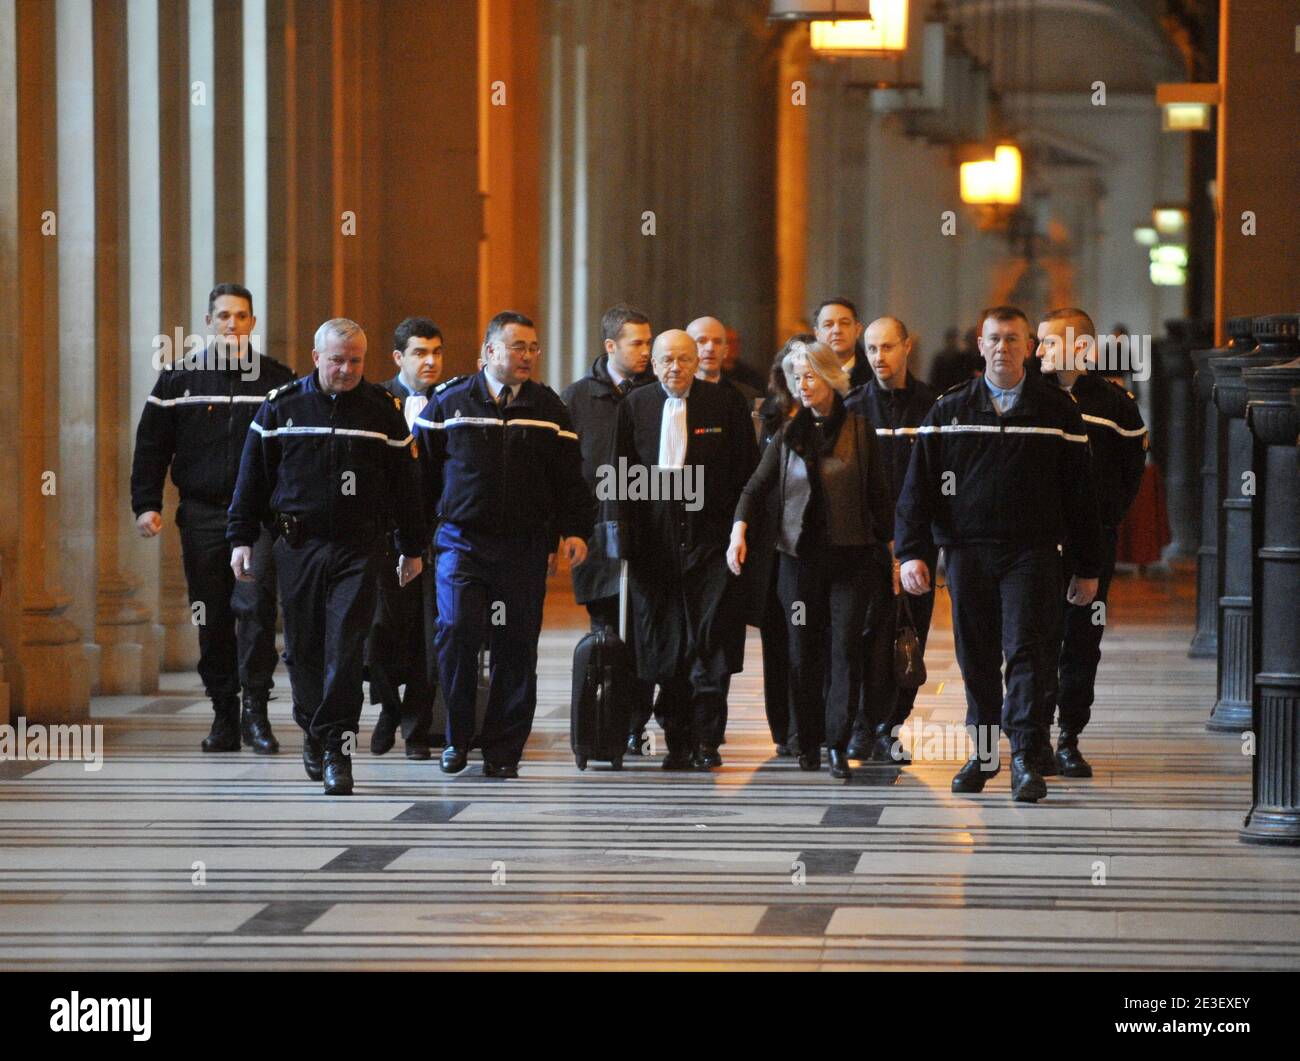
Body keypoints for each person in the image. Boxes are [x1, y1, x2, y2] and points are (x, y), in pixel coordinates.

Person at [896, 305, 1103, 803]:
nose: (1004, 347)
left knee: (1028, 654)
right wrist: (911, 553)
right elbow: (916, 489)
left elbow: (1082, 496)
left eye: (1014, 339)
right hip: (967, 554)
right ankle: (985, 755)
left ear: (1029, 347)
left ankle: (1028, 760)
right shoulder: (951, 409)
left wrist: (1088, 566)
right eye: (995, 338)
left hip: (1032, 554)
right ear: (980, 343)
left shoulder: (1056, 410)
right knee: (978, 658)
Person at [227, 318, 426, 796]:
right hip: (298, 547)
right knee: (303, 649)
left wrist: (411, 546)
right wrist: (240, 537)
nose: (346, 369)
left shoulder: (382, 411)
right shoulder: (282, 408)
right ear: (317, 357)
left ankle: (338, 749)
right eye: (337, 360)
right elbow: (251, 478)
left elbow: (405, 486)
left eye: (356, 360)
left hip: (359, 547)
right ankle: (314, 728)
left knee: (346, 646)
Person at [415, 311, 591, 779]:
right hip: (460, 542)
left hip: (523, 547)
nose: (528, 356)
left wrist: (574, 529)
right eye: (518, 347)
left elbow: (569, 479)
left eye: (533, 348)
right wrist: (413, 541)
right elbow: (422, 476)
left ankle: (503, 750)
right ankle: (455, 738)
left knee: (516, 646)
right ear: (491, 351)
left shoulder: (548, 408)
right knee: (455, 632)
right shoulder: (449, 402)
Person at [131, 283, 294, 754]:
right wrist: (147, 504)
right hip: (202, 514)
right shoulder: (177, 380)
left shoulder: (276, 382)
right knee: (212, 614)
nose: (232, 324)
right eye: (223, 316)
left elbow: (294, 449)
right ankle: (224, 710)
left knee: (257, 611)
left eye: (241, 316)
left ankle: (256, 712)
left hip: (259, 518)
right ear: (208, 322)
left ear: (252, 323)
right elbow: (151, 447)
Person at [728, 340, 892, 780]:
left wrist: (896, 554)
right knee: (802, 653)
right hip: (797, 564)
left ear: (830, 377)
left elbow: (879, 497)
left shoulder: (859, 431)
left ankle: (837, 743)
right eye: (794, 377)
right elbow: (754, 489)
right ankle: (808, 740)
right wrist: (738, 531)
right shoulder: (788, 434)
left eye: (809, 376)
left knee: (844, 650)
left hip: (850, 560)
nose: (801, 385)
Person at [606, 330, 758, 769]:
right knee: (664, 643)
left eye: (684, 359)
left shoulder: (723, 404)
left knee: (709, 640)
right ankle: (677, 738)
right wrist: (622, 534)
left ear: (697, 362)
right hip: (654, 543)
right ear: (653, 364)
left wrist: (738, 530)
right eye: (666, 360)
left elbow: (744, 473)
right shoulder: (635, 405)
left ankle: (708, 739)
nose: (676, 368)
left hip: (710, 541)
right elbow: (620, 472)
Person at [1035, 307, 1147, 777]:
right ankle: (1032, 735)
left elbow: (1129, 475)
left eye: (1048, 342)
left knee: (1082, 642)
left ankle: (1069, 737)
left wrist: (1101, 528)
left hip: (1090, 546)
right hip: (1035, 547)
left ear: (1081, 348)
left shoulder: (1115, 404)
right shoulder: (1027, 396)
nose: (1038, 351)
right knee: (1032, 642)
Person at [562, 304, 657, 755]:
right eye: (636, 343)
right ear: (610, 346)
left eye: (648, 342)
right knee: (606, 630)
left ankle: (637, 722)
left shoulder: (657, 392)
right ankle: (606, 722)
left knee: (643, 632)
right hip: (598, 535)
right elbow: (565, 467)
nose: (646, 352)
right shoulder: (578, 398)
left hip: (646, 534)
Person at [845, 316, 938, 764]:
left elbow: (942, 481)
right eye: (871, 350)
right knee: (866, 636)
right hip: (867, 548)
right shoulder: (854, 407)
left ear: (907, 346)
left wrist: (920, 545)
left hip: (918, 548)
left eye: (887, 347)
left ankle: (892, 726)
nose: (879, 357)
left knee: (909, 637)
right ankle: (863, 725)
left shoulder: (933, 407)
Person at [366, 316, 445, 760]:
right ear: (399, 357)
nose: (430, 361)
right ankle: (388, 707)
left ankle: (416, 730)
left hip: (433, 537)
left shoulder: (453, 400)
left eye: (436, 352)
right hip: (383, 536)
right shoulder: (377, 401)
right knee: (379, 630)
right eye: (420, 352)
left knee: (426, 637)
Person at [745, 335, 813, 757]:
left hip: (813, 545)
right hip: (770, 546)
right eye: (792, 364)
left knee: (812, 637)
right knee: (777, 638)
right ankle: (784, 727)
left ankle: (813, 724)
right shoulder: (765, 416)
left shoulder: (832, 417)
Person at [688, 315, 762, 408]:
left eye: (717, 342)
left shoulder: (748, 397)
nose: (710, 348)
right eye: (701, 341)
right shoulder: (674, 395)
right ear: (687, 349)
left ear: (725, 351)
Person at [814, 297, 873, 389]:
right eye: (828, 325)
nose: (837, 330)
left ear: (857, 330)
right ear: (817, 334)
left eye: (844, 323)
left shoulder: (874, 374)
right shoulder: (805, 374)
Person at [721, 326, 767, 394]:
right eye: (729, 342)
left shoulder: (751, 375)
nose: (734, 346)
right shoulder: (709, 375)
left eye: (737, 341)